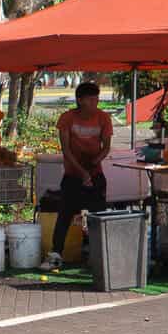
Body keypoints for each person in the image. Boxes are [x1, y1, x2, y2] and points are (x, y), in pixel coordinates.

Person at [45, 81, 112, 267]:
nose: (95, 103)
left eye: (97, 99)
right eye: (91, 99)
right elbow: (66, 149)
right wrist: (82, 173)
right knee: (65, 214)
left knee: (98, 216)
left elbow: (106, 147)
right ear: (80, 100)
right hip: (72, 174)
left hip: (95, 172)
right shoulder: (67, 118)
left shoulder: (103, 118)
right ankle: (56, 253)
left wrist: (93, 165)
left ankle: (99, 254)